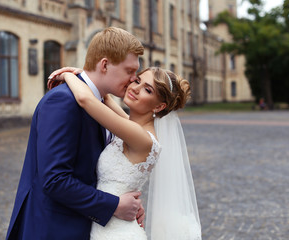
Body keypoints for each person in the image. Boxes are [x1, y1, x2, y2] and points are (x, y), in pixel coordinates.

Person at [6, 27, 145, 240]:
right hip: (53, 229)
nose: (133, 79)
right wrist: (115, 205)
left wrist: (125, 199)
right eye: (129, 71)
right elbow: (55, 179)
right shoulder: (62, 100)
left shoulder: (97, 102)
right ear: (105, 65)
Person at [49, 66, 202, 239]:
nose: (135, 88)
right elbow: (105, 98)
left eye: (147, 89)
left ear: (159, 106)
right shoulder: (133, 127)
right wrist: (84, 74)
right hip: (107, 224)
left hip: (118, 233)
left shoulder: (141, 138)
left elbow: (86, 100)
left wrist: (66, 75)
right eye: (137, 80)